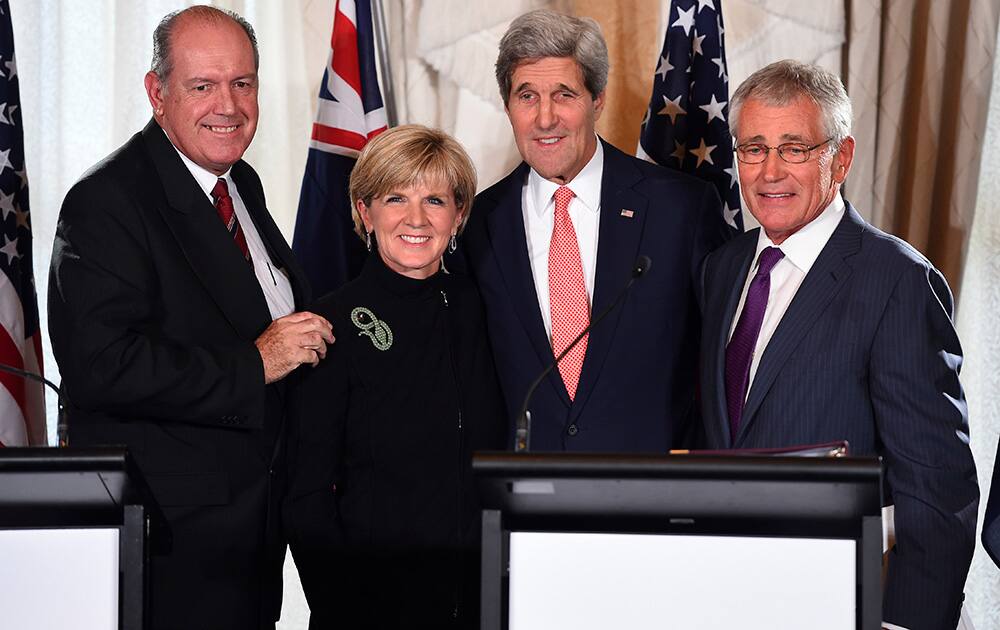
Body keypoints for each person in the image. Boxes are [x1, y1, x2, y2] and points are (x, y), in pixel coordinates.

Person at [47, 7, 334, 629]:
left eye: (243, 83)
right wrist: (254, 363)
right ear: (157, 93)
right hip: (169, 544)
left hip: (253, 536)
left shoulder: (240, 184)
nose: (227, 105)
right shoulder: (106, 202)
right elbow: (101, 366)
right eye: (203, 86)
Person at [698, 60, 978, 630]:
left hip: (841, 603)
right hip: (723, 593)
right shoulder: (722, 270)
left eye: (794, 148)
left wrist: (907, 623)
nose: (769, 170)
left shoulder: (895, 280)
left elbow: (937, 485)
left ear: (840, 158)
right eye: (753, 148)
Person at [457, 9, 731, 452]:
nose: (545, 119)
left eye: (563, 94)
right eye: (526, 96)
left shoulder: (681, 208)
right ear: (508, 106)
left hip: (654, 500)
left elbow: (727, 358)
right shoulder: (477, 223)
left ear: (597, 99)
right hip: (525, 501)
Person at [284, 124, 506, 629]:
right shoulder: (329, 323)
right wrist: (343, 606)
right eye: (394, 197)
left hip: (479, 600)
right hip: (367, 607)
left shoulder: (483, 309)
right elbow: (306, 496)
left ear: (459, 214)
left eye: (434, 199)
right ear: (365, 211)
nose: (416, 219)